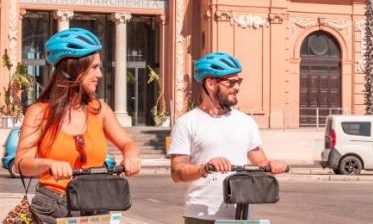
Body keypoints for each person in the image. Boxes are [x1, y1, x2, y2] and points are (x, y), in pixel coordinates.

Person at [14, 28, 141, 224]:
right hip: (52, 208)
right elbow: (22, 163)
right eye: (93, 67)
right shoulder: (40, 112)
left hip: (96, 205)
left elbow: (128, 143)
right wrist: (49, 164)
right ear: (74, 69)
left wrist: (131, 155)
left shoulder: (100, 110)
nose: (99, 74)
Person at [168, 51, 288, 224]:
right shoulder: (187, 123)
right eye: (231, 82)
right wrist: (206, 168)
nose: (237, 87)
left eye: (239, 81)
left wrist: (272, 165)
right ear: (210, 83)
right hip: (202, 216)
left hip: (240, 215)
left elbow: (261, 162)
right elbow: (177, 172)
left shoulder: (246, 122)